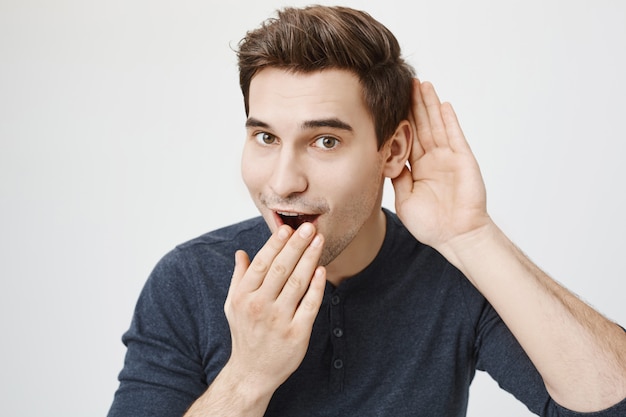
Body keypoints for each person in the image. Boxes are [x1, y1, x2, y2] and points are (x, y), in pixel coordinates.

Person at [107, 5, 626, 417]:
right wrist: (248, 375)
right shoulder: (187, 280)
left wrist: (471, 235)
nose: (284, 181)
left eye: (325, 141)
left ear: (393, 151)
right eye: (265, 136)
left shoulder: (454, 272)